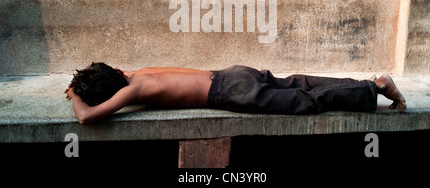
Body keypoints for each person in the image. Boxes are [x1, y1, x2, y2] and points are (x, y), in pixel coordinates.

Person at [65, 62, 407, 124]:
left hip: (229, 92)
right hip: (230, 73)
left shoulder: (134, 89)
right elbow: (120, 75)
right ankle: (370, 82)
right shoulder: (138, 74)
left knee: (303, 103)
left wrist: (74, 95)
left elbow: (87, 118)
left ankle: (374, 88)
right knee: (296, 83)